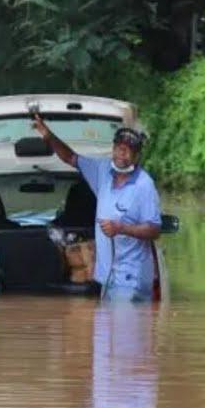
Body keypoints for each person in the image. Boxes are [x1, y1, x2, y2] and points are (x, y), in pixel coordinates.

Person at [32, 113, 162, 302]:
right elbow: (70, 158)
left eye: (128, 150)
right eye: (119, 147)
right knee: (103, 331)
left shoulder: (144, 185)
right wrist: (48, 135)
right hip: (106, 278)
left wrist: (121, 228)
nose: (122, 153)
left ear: (137, 156)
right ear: (113, 149)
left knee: (124, 330)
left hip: (131, 280)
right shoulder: (102, 171)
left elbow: (154, 228)